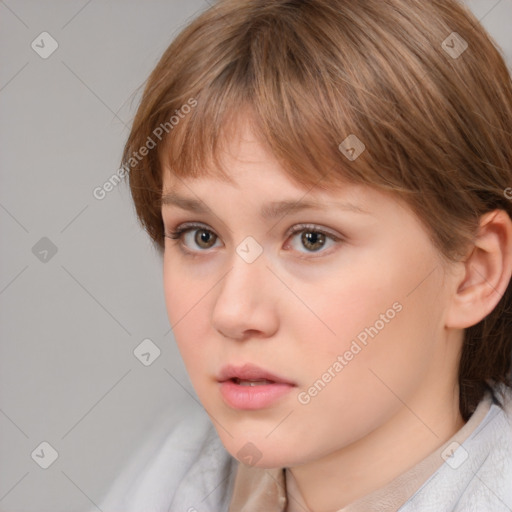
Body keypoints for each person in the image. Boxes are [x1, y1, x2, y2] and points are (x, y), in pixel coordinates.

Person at [99, 0, 512, 510]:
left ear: (474, 272)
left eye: (311, 238)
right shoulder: (167, 468)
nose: (232, 312)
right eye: (200, 236)